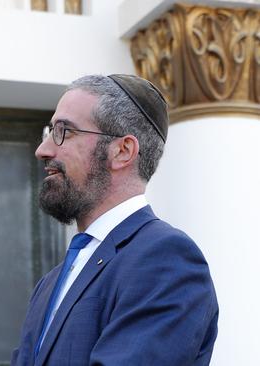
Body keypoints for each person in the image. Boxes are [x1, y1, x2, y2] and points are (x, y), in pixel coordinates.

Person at [11, 74, 218, 365]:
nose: (43, 149)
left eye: (65, 131)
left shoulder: (165, 259)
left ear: (122, 151)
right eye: (50, 131)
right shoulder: (51, 283)